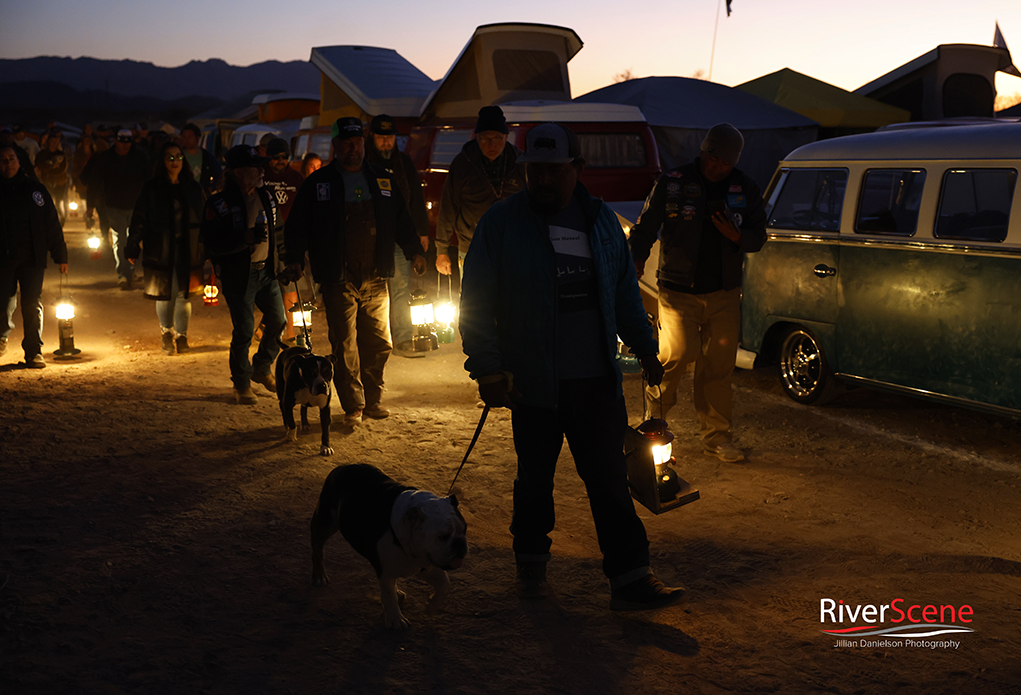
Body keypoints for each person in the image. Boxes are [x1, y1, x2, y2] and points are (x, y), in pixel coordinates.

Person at [459, 122, 684, 611]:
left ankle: (632, 578)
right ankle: (532, 570)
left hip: (596, 382)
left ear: (576, 170)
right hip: (532, 385)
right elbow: (475, 301)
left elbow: (625, 290)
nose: (541, 179)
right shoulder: (501, 225)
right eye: (533, 170)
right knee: (534, 481)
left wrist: (645, 347)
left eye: (552, 170)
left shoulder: (601, 222)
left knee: (608, 481)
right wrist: (489, 369)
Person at [628, 123, 767, 463]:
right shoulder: (674, 181)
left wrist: (736, 236)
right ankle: (652, 426)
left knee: (718, 367)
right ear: (704, 150)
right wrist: (634, 260)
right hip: (678, 291)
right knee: (675, 358)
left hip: (723, 292)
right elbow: (645, 227)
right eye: (712, 157)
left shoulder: (744, 186)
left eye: (725, 162)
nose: (717, 166)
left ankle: (717, 437)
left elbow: (758, 235)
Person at [282, 117, 426, 425]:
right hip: (337, 277)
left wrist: (415, 249)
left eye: (358, 142)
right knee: (345, 343)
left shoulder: (382, 179)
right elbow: (297, 226)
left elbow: (401, 219)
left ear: (364, 143)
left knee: (379, 342)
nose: (353, 148)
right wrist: (294, 257)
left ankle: (373, 399)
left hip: (376, 274)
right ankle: (354, 405)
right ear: (335, 145)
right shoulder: (319, 183)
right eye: (347, 143)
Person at [200, 145, 287, 405]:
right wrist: (243, 240)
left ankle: (261, 368)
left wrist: (286, 261)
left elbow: (279, 232)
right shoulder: (219, 203)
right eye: (255, 167)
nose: (262, 170)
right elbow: (211, 243)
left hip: (266, 272)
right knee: (245, 330)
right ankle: (241, 383)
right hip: (240, 276)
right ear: (239, 172)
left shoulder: (267, 196)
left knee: (278, 320)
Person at [126, 141, 206, 355]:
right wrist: (133, 244)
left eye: (178, 157)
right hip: (160, 248)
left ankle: (182, 335)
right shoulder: (152, 187)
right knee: (165, 292)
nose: (174, 161)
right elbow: (139, 217)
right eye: (169, 157)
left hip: (188, 248)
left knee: (183, 293)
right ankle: (166, 332)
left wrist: (208, 246)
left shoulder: (193, 187)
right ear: (162, 161)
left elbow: (206, 218)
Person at [364, 114, 429, 358]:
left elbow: (415, 200)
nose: (386, 143)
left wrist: (421, 233)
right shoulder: (364, 163)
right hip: (372, 238)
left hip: (400, 236)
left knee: (401, 287)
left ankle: (402, 338)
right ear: (372, 137)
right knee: (373, 289)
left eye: (389, 137)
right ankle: (375, 340)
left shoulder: (403, 163)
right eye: (381, 138)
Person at [435, 105, 524, 282]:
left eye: (497, 138)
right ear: (477, 138)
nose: (491, 144)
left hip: (512, 246)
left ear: (506, 137)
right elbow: (448, 207)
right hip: (472, 246)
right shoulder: (463, 164)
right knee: (472, 302)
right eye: (485, 139)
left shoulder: (521, 163)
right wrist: (441, 250)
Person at [0, 144, 68, 367]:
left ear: (19, 161)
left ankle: (33, 351)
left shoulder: (35, 190)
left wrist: (60, 254)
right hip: (3, 257)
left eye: (11, 159)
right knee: (3, 301)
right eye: (3, 160)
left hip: (32, 257)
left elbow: (50, 222)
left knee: (31, 303)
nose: (8, 164)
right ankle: (1, 337)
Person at [80, 128, 151, 290]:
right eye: (122, 142)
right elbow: (95, 182)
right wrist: (90, 205)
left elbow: (149, 180)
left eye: (128, 143)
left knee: (132, 239)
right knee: (120, 239)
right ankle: (124, 275)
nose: (125, 146)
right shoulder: (106, 159)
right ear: (116, 141)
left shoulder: (139, 158)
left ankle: (129, 270)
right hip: (113, 205)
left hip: (135, 206)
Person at [261, 137, 304, 343]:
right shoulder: (261, 177)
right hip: (265, 239)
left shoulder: (296, 178)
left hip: (290, 237)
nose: (280, 161)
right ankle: (268, 325)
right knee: (266, 285)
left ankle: (290, 331)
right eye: (276, 157)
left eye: (284, 157)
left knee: (290, 284)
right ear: (268, 158)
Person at [34, 128, 70, 226]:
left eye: (55, 141)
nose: (53, 143)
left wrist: (50, 169)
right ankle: (49, 222)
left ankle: (60, 223)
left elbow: (62, 168)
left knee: (59, 202)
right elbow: (39, 164)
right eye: (51, 141)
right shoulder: (42, 154)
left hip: (59, 182)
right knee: (47, 203)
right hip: (46, 182)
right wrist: (50, 167)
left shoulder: (61, 155)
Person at [180, 123, 222, 195]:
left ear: (198, 137)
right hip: (183, 194)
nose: (187, 140)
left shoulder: (208, 157)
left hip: (202, 196)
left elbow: (219, 175)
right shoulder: (179, 156)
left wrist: (211, 187)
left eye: (190, 137)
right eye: (184, 137)